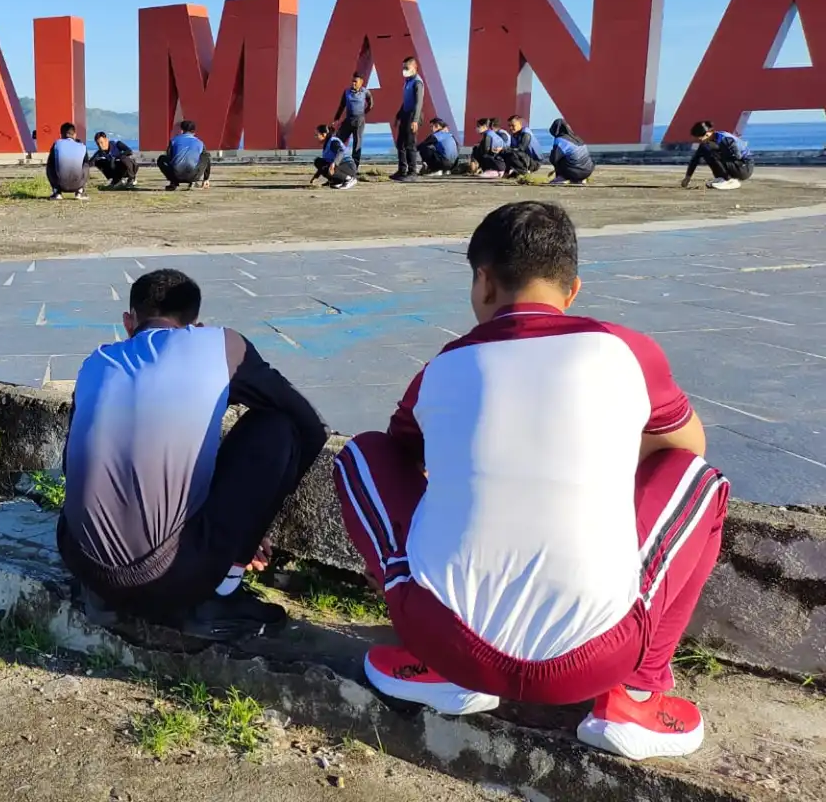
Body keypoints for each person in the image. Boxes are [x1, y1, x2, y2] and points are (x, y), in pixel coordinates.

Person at [335, 201, 728, 761]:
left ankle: (435, 668)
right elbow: (686, 447)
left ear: (483, 282)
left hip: (446, 641)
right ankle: (637, 694)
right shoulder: (626, 350)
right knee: (701, 481)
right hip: (598, 658)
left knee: (362, 456)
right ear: (572, 291)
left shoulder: (443, 366)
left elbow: (401, 456)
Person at [59, 269, 330, 641]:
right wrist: (250, 526)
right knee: (279, 428)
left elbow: (71, 465)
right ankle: (221, 594)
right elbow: (310, 427)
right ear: (196, 325)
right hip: (168, 576)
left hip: (82, 562)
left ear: (128, 322)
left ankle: (105, 596)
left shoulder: (97, 362)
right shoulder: (221, 346)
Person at [682, 122, 753, 191]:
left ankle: (729, 181)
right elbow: (695, 159)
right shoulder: (706, 143)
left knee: (712, 152)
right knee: (705, 150)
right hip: (732, 165)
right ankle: (722, 178)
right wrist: (688, 177)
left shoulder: (725, 138)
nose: (700, 139)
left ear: (710, 133)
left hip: (744, 167)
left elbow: (737, 156)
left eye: (702, 136)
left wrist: (719, 150)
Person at [391, 57, 426, 182]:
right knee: (400, 143)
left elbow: (418, 103)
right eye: (403, 68)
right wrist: (398, 115)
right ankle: (402, 170)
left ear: (415, 68)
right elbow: (406, 101)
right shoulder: (407, 82)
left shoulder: (417, 82)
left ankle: (412, 172)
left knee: (410, 144)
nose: (404, 70)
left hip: (413, 116)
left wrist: (415, 120)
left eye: (407, 68)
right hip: (405, 115)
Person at [332, 74, 374, 167]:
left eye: (356, 82)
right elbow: (341, 106)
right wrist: (336, 118)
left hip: (359, 121)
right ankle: (335, 163)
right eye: (352, 81)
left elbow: (371, 103)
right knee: (338, 140)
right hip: (348, 120)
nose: (353, 83)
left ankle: (354, 167)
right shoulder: (347, 92)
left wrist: (364, 113)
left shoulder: (365, 92)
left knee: (357, 145)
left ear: (361, 82)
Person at [158, 120, 210, 190]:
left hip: (176, 175)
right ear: (194, 131)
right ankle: (199, 181)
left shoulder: (174, 140)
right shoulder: (200, 142)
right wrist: (206, 178)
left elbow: (169, 156)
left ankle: (173, 183)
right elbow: (206, 159)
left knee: (161, 158)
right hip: (193, 176)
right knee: (206, 156)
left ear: (181, 130)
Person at [46, 122, 89, 200]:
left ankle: (57, 193)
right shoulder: (82, 146)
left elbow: (51, 163)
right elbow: (86, 164)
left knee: (50, 164)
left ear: (61, 135)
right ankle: (80, 192)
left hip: (60, 184)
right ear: (74, 134)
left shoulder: (57, 144)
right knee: (85, 164)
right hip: (78, 184)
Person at [310, 124, 358, 190]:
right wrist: (316, 176)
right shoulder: (327, 143)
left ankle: (349, 179)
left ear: (324, 134)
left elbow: (341, 152)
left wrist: (333, 164)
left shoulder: (333, 142)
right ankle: (335, 181)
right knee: (318, 161)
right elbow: (324, 165)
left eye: (317, 135)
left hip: (348, 166)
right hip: (340, 166)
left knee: (329, 168)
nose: (316, 137)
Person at [547, 119, 594, 186]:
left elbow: (553, 159)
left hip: (574, 172)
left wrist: (552, 152)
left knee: (558, 158)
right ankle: (580, 179)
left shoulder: (560, 140)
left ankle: (561, 178)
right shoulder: (577, 139)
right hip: (588, 171)